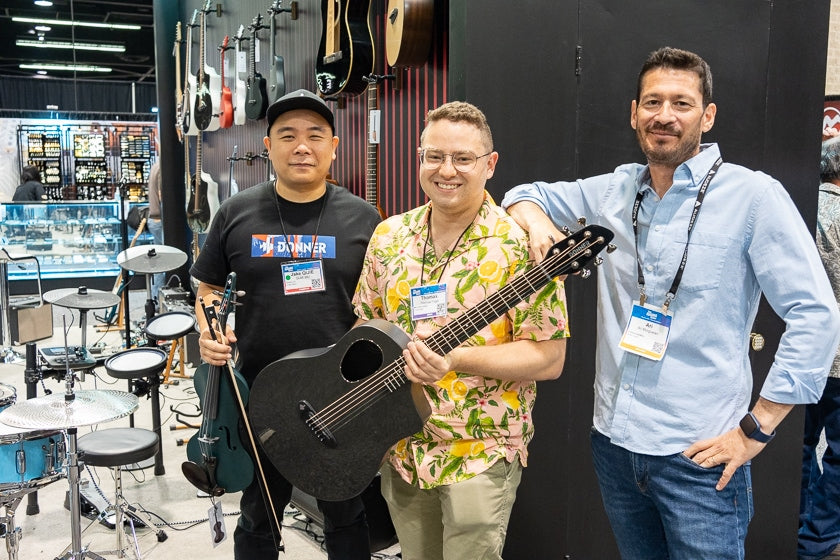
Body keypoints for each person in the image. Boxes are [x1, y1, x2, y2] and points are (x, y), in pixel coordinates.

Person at [502, 46, 840, 558]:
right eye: (652, 102)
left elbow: (816, 314)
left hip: (700, 458)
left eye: (681, 103)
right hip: (615, 445)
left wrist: (758, 428)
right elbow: (524, 193)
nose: (664, 116)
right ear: (634, 113)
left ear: (707, 116)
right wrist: (539, 223)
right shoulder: (616, 190)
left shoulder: (753, 197)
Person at [352, 101, 569, 560]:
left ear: (490, 165)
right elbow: (364, 325)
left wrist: (455, 359)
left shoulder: (522, 246)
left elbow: (549, 358)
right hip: (401, 448)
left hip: (481, 449)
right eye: (434, 156)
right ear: (420, 160)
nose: (446, 170)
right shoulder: (389, 235)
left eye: (463, 159)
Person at [190, 88, 381, 560]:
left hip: (342, 397)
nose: (302, 146)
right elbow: (208, 289)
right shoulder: (236, 213)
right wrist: (209, 331)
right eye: (288, 135)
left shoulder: (364, 219)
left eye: (316, 135)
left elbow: (380, 308)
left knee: (346, 512)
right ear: (269, 145)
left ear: (334, 147)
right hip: (260, 396)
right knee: (259, 515)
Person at [798, 136, 840, 560]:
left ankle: (793, 524)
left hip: (806, 353)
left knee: (800, 445)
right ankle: (818, 539)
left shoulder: (802, 206)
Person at [146, 160, 164, 300]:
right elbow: (162, 195)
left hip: (154, 219)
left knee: (160, 262)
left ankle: (155, 298)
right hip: (160, 220)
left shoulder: (155, 166)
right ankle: (157, 299)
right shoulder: (163, 169)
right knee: (164, 263)